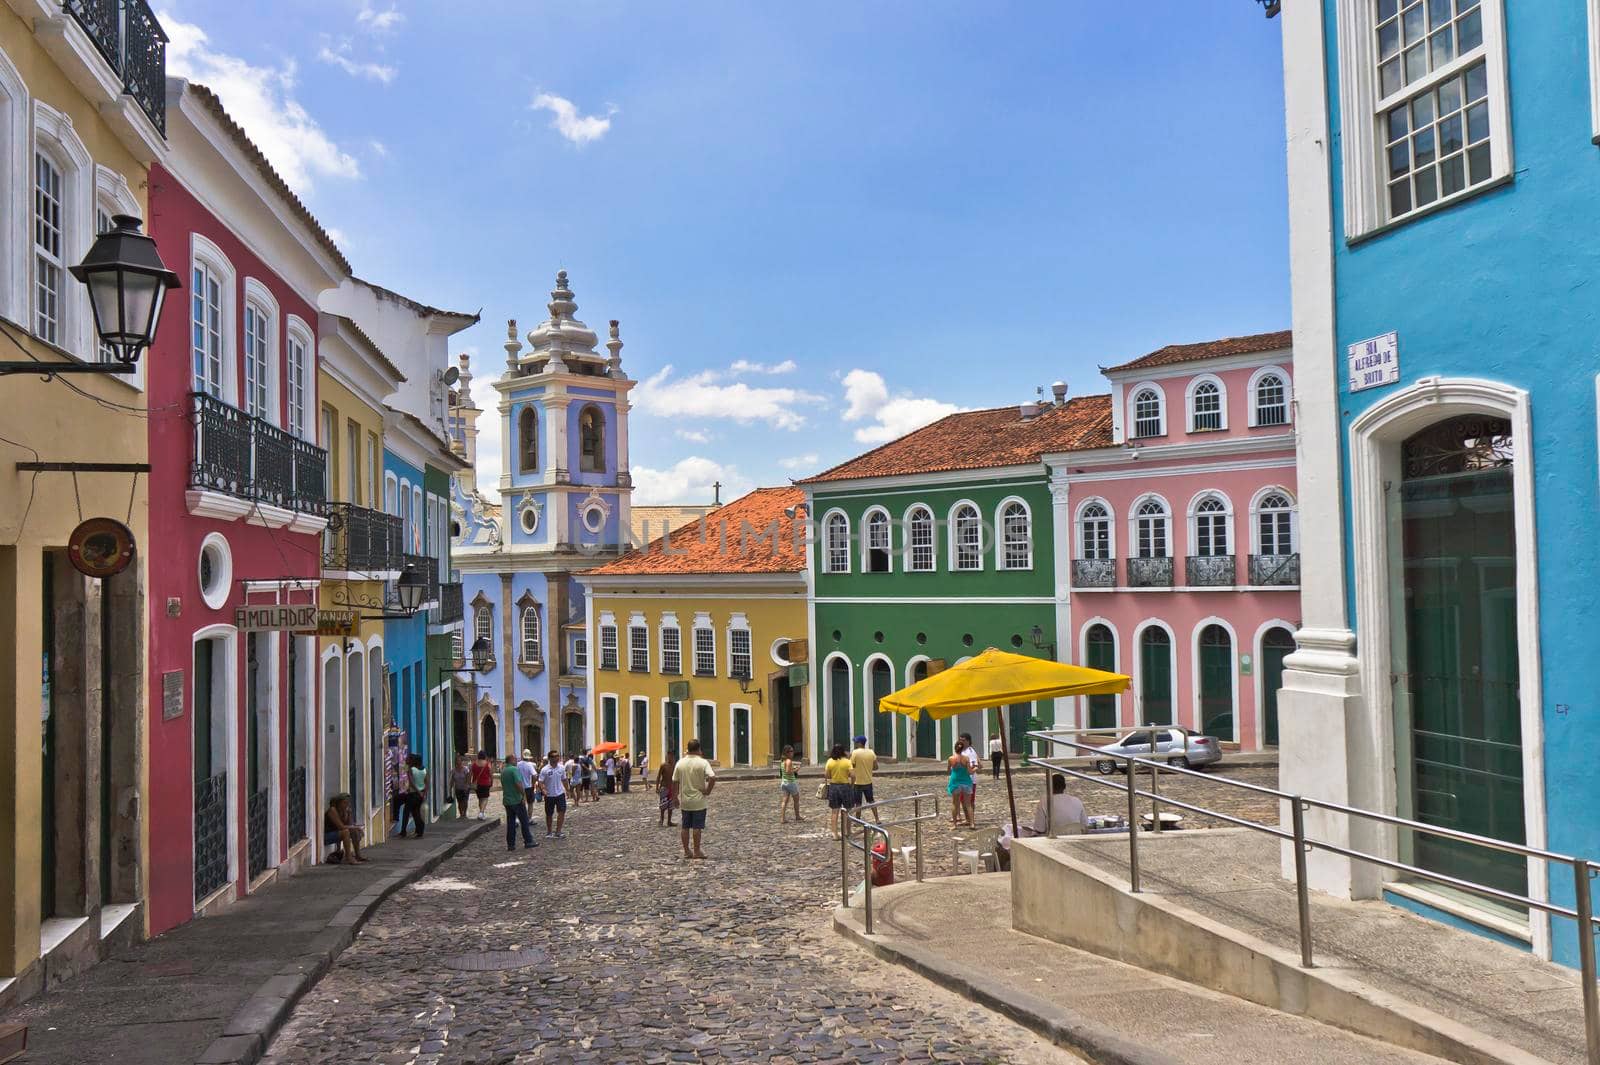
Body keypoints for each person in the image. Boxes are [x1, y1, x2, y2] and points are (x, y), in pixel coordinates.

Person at [672, 738, 716, 859]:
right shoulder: (703, 762)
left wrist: (675, 797)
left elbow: (675, 781)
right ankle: (697, 851)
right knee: (697, 827)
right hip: (699, 801)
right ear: (698, 749)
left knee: (685, 827)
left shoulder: (680, 763)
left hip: (685, 800)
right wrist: (707, 791)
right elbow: (712, 777)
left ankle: (686, 850)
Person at [500, 753, 537, 851]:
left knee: (511, 823)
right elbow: (518, 784)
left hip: (507, 800)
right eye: (515, 759)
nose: (516, 760)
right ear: (511, 759)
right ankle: (528, 841)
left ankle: (511, 844)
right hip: (516, 799)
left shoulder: (503, 770)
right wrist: (523, 795)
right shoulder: (514, 770)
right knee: (524, 821)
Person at [324, 793, 367, 863]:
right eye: (344, 803)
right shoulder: (332, 810)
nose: (347, 804)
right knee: (346, 832)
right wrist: (356, 827)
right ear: (339, 803)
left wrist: (348, 815)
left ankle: (358, 855)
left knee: (354, 831)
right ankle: (348, 857)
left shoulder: (346, 811)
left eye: (348, 802)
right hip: (327, 836)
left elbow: (350, 825)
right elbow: (341, 827)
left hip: (337, 834)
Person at [824, 743, 855, 840]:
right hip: (845, 786)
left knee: (834, 811)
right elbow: (853, 775)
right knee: (848, 810)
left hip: (834, 787)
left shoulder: (829, 761)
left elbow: (827, 776)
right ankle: (847, 832)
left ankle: (834, 834)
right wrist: (852, 784)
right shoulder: (847, 762)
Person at [538, 750, 569, 838]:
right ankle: (549, 831)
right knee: (549, 814)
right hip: (549, 795)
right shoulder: (545, 770)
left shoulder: (561, 768)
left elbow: (564, 779)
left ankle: (558, 831)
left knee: (562, 811)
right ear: (550, 758)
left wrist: (567, 790)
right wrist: (543, 790)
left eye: (557, 756)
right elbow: (540, 781)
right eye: (554, 756)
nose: (556, 758)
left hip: (560, 793)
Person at [850, 735, 879, 822]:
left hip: (857, 782)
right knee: (871, 801)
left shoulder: (855, 753)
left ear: (859, 743)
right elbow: (876, 767)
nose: (855, 743)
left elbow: (852, 765)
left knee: (858, 803)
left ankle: (858, 820)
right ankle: (877, 819)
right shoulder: (871, 752)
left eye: (855, 742)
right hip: (868, 781)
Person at [948, 739, 976, 828]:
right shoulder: (966, 758)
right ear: (963, 749)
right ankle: (972, 823)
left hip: (955, 782)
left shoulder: (951, 759)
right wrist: (975, 769)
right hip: (966, 782)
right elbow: (970, 772)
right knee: (968, 804)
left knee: (954, 804)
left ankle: (955, 824)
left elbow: (949, 770)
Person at [398, 753, 427, 838]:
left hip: (413, 794)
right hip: (421, 795)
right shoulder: (424, 769)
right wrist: (424, 794)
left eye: (408, 759)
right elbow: (427, 783)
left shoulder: (411, 770)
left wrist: (418, 792)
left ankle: (403, 831)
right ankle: (419, 831)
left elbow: (412, 783)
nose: (406, 760)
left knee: (407, 812)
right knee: (417, 813)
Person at [778, 745, 803, 824]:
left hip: (784, 782)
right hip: (790, 783)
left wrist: (793, 768)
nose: (793, 752)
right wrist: (796, 770)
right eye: (791, 751)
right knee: (796, 800)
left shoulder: (782, 761)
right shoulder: (789, 761)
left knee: (784, 801)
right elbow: (788, 771)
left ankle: (782, 818)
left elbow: (784, 771)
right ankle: (797, 816)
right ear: (787, 753)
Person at [656, 751, 678, 827]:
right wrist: (657, 787)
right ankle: (661, 820)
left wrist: (676, 789)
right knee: (663, 805)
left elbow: (677, 778)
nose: (669, 758)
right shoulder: (663, 765)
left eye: (671, 756)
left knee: (671, 806)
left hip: (671, 788)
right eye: (668, 756)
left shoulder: (675, 766)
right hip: (664, 787)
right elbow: (658, 776)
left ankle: (669, 821)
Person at [471, 750, 494, 820]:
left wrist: (469, 783)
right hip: (485, 783)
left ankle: (481, 813)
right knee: (485, 798)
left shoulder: (474, 764)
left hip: (477, 784)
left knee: (480, 798)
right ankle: (481, 812)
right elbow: (491, 775)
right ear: (485, 756)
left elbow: (470, 774)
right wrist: (491, 782)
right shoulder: (487, 764)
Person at [449, 756, 472, 820]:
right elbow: (452, 780)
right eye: (457, 761)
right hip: (458, 788)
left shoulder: (465, 769)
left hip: (465, 788)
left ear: (461, 762)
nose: (458, 762)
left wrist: (467, 785)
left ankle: (464, 813)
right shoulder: (453, 770)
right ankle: (461, 814)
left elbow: (468, 777)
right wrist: (450, 788)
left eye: (459, 761)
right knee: (459, 802)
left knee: (465, 801)